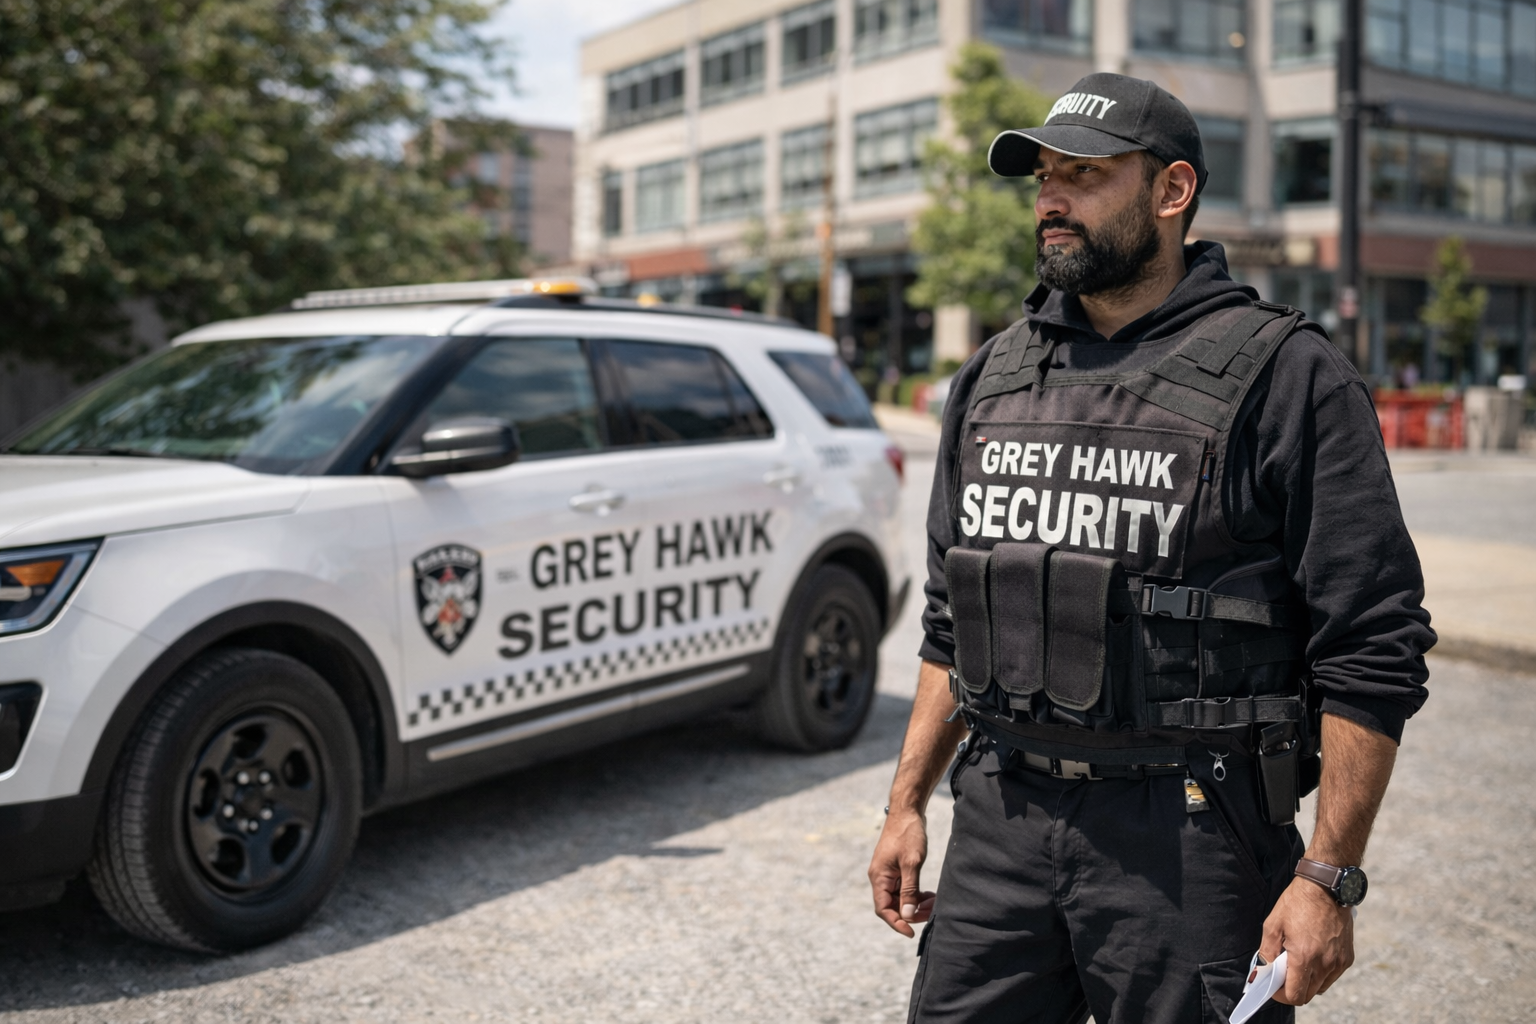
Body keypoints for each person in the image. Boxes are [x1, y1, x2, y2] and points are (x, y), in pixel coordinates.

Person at [868, 72, 1434, 1024]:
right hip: (1002, 820)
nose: (1051, 197)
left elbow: (1372, 645)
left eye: (1084, 174)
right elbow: (949, 622)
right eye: (1044, 175)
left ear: (1172, 193)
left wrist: (1328, 877)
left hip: (1192, 833)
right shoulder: (995, 377)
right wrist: (906, 802)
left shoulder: (1287, 376)